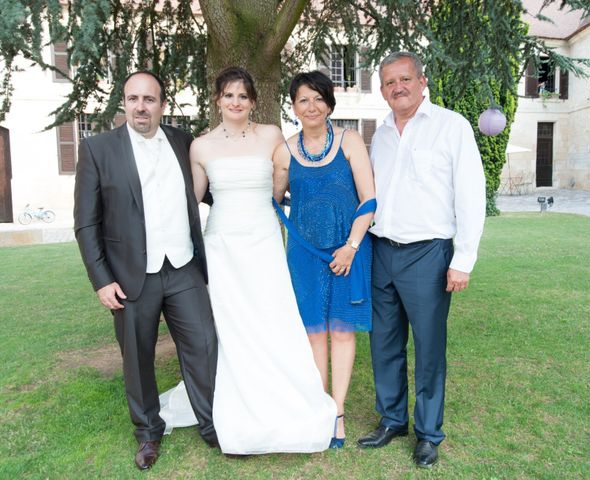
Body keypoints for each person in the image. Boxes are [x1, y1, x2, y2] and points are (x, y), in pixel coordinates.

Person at [160, 67, 337, 454]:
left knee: (273, 316)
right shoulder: (201, 147)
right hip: (224, 244)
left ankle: (286, 397)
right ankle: (235, 401)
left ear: (253, 101)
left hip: (264, 240)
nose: (235, 102)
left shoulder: (271, 136)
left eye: (242, 96)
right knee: (233, 322)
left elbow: (286, 180)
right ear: (217, 100)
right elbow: (193, 198)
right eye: (228, 95)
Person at [74, 71, 218, 470]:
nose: (141, 106)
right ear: (124, 102)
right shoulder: (97, 149)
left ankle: (211, 424)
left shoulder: (183, 142)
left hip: (184, 267)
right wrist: (101, 279)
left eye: (149, 99)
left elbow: (213, 187)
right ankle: (148, 433)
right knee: (137, 359)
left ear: (162, 104)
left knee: (205, 346)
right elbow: (86, 223)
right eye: (133, 98)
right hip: (129, 275)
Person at [356, 52, 486, 468]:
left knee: (429, 348)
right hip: (382, 252)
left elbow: (470, 195)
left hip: (428, 254)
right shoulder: (380, 135)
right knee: (384, 343)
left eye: (405, 79)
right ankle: (392, 419)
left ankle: (428, 433)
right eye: (390, 82)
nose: (399, 87)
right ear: (382, 90)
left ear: (422, 81)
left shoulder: (452, 127)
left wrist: (463, 258)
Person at [272, 71, 376, 449]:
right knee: (314, 332)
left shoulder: (350, 141)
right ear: (294, 106)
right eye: (303, 99)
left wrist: (351, 246)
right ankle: (318, 409)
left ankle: (338, 412)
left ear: (330, 103)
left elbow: (369, 199)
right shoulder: (284, 151)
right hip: (304, 255)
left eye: (318, 98)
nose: (311, 106)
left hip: (349, 250)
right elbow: (273, 198)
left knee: (342, 330)